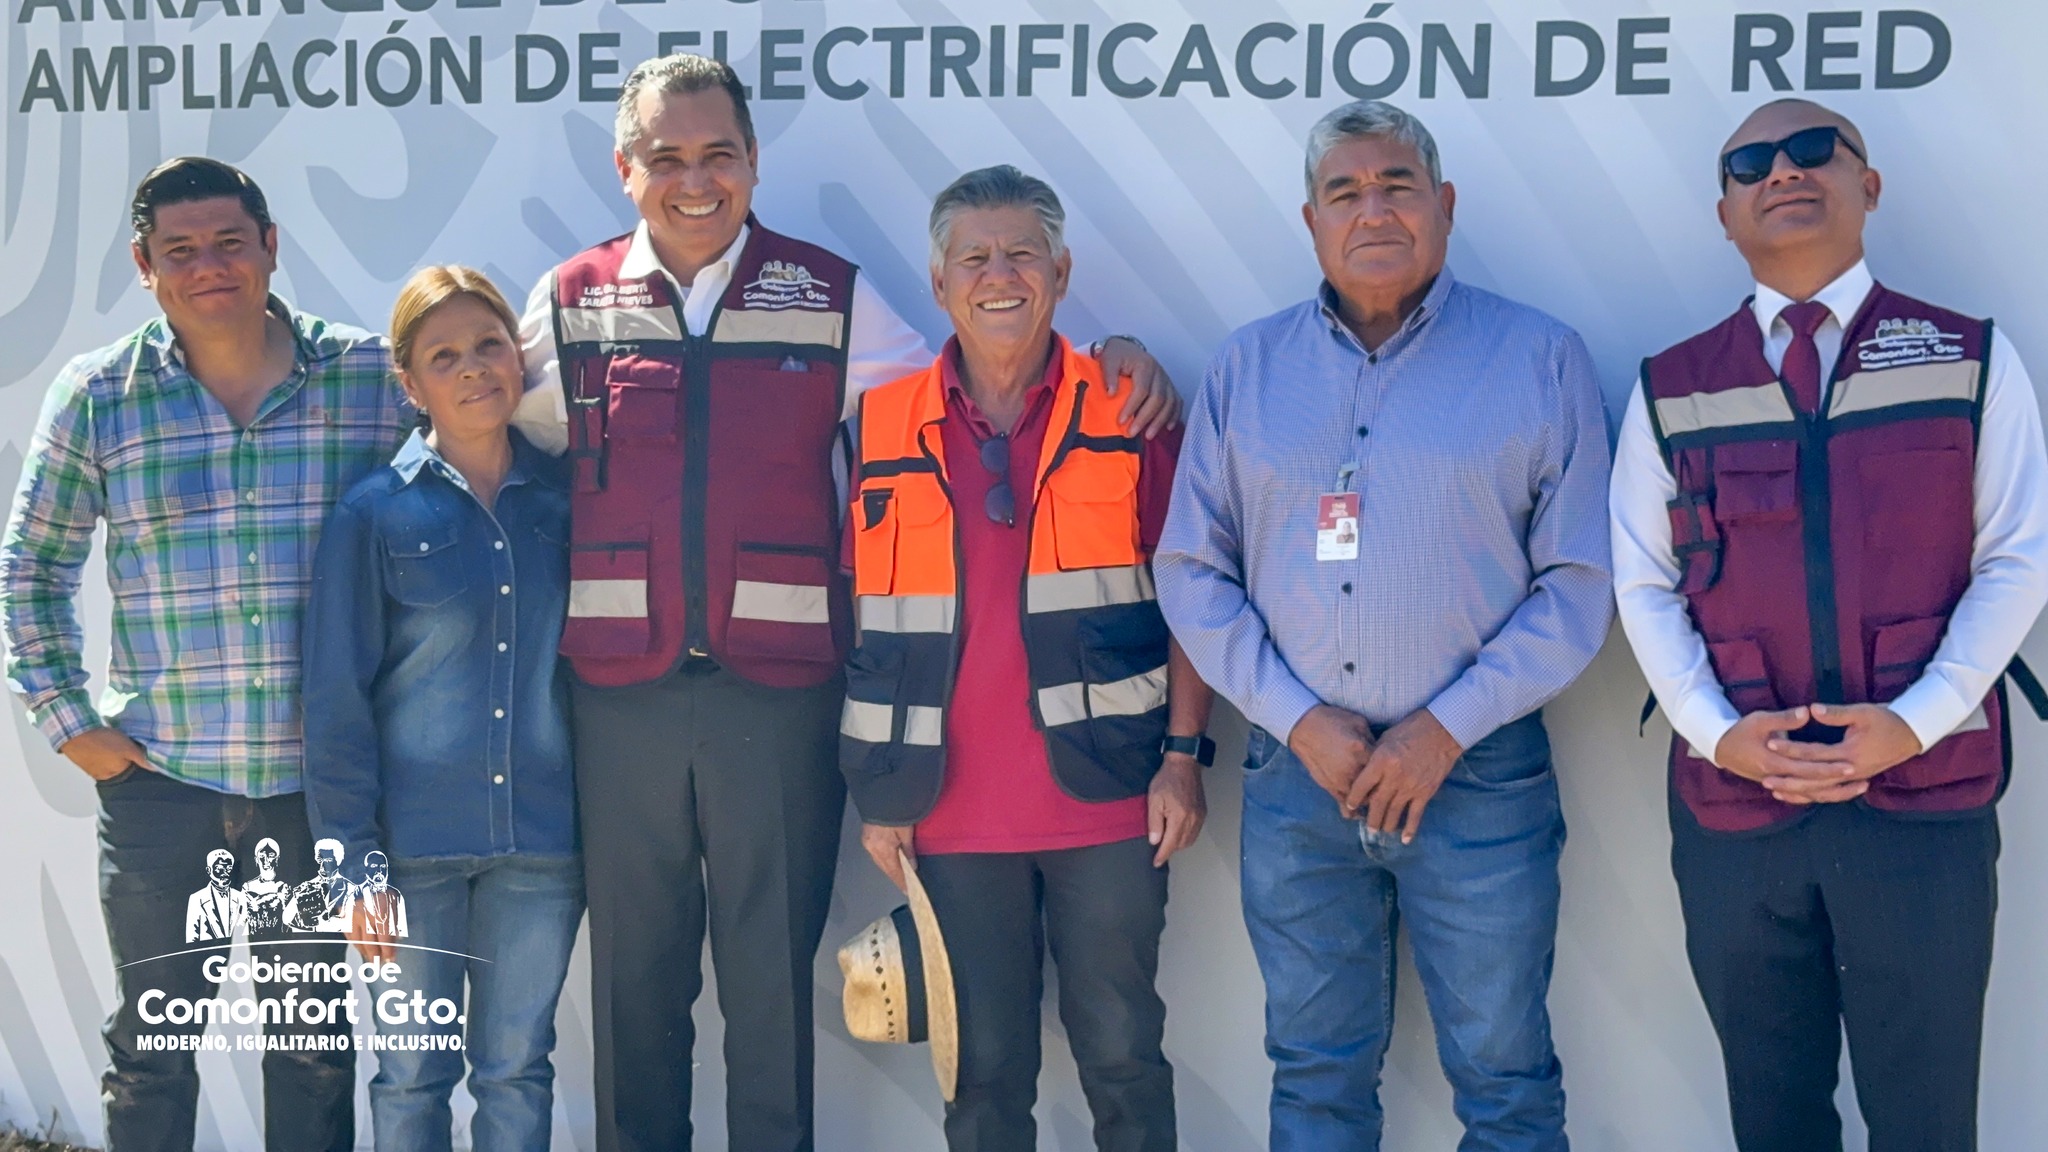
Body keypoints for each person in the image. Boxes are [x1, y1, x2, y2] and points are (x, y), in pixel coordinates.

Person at [507, 52, 1182, 1152]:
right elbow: (497, 425)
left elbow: (975, 367)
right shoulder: (572, 299)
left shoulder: (828, 293)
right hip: (618, 698)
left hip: (779, 700)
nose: (695, 180)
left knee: (771, 990)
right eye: (666, 158)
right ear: (625, 170)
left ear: (754, 163)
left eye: (719, 154)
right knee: (634, 986)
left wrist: (1115, 354)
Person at [1154, 100, 1613, 1150]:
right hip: (1293, 781)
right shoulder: (1247, 367)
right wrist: (1296, 717)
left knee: (1504, 1081)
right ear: (1309, 221)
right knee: (1313, 1079)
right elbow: (1191, 569)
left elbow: (1578, 584)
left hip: (1477, 778)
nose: (1373, 210)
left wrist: (1443, 727)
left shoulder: (1537, 358)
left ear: (1443, 207)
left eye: (1397, 185)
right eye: (1344, 192)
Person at [1609, 98, 2048, 1152]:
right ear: (1722, 212)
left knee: (1924, 1117)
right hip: (1736, 808)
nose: (1782, 172)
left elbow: (2015, 557)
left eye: (1814, 150)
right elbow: (1642, 583)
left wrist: (1919, 719)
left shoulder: (1965, 354)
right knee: (1771, 1116)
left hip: (1922, 800)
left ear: (1868, 185)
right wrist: (1717, 734)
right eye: (1749, 163)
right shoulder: (1670, 386)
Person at [0, 156, 409, 1152]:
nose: (208, 265)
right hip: (159, 787)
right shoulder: (100, 394)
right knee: (150, 1047)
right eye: (179, 250)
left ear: (272, 246)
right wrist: (72, 728)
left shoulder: (368, 378)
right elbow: (31, 569)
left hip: (316, 789)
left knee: (312, 1050)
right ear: (145, 267)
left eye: (230, 241)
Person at [844, 166, 1215, 1152]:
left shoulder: (1128, 410)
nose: (997, 275)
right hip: (949, 811)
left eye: (1020, 254)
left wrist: (1184, 753)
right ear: (938, 284)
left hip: (1107, 798)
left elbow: (1189, 595)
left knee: (1124, 1056)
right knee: (981, 1079)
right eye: (974, 257)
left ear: (1059, 270)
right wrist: (881, 793)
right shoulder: (877, 429)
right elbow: (865, 627)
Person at [303, 265, 582, 1152]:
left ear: (519, 356)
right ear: (410, 382)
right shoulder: (373, 512)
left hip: (544, 849)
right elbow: (335, 696)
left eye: (489, 344)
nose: (473, 369)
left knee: (515, 1070)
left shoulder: (572, 503)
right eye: (445, 355)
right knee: (410, 1076)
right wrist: (350, 864)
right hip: (402, 858)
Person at [286, 839, 355, 933]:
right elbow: (287, 919)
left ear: (339, 859)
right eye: (320, 860)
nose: (323, 866)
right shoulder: (305, 889)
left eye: (328, 860)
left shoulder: (354, 888)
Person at [183, 849, 246, 943]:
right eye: (219, 868)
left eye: (228, 868)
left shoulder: (240, 897)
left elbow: (246, 934)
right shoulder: (196, 899)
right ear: (209, 870)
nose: (225, 873)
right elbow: (192, 939)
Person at [242, 837, 290, 933]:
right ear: (256, 859)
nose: (266, 860)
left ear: (277, 859)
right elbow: (241, 921)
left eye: (271, 855)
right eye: (262, 856)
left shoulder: (283, 886)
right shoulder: (247, 886)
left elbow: (289, 921)